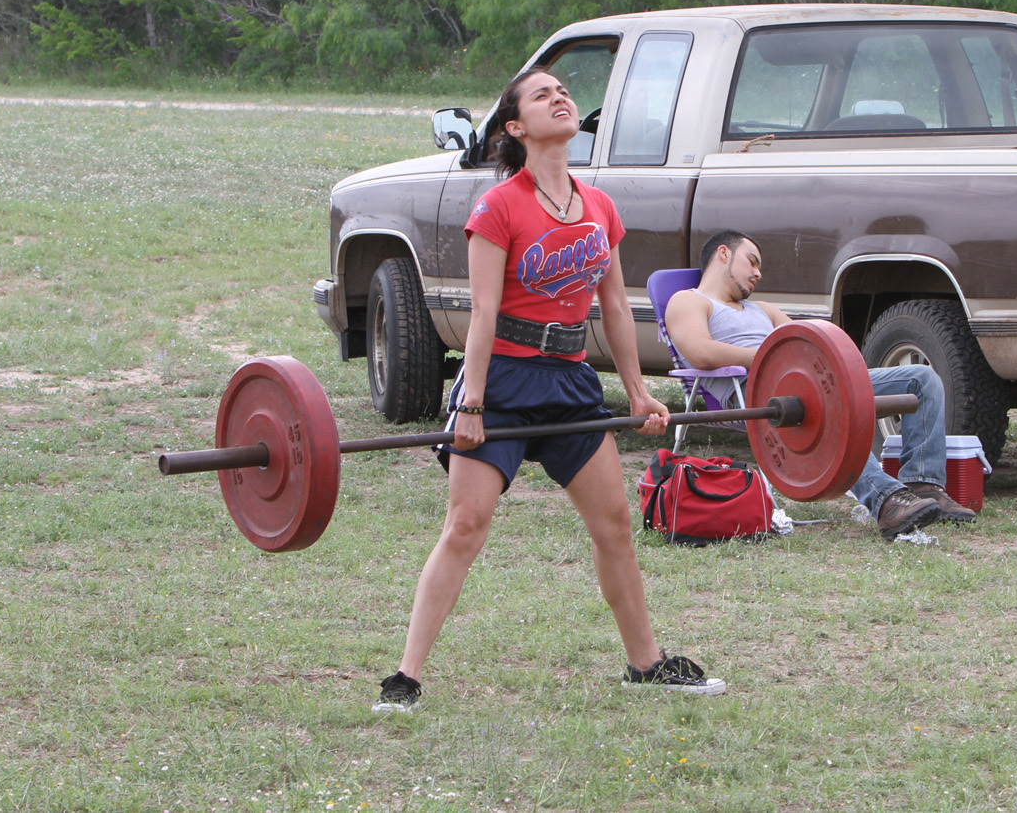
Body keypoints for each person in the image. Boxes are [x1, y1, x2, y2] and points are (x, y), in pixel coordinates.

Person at [373, 68, 725, 713]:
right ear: (515, 127)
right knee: (466, 525)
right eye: (542, 95)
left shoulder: (599, 207)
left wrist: (640, 393)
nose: (561, 98)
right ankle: (406, 676)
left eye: (564, 90)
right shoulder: (498, 207)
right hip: (503, 378)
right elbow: (481, 313)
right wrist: (471, 403)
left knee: (614, 526)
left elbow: (614, 309)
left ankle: (646, 665)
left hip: (570, 382)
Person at [664, 230, 978, 540]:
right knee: (829, 407)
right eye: (752, 262)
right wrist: (769, 358)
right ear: (723, 254)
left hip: (804, 383)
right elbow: (700, 353)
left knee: (920, 380)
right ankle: (887, 501)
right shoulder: (689, 300)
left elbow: (808, 346)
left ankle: (924, 484)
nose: (758, 273)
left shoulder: (763, 310)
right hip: (755, 393)